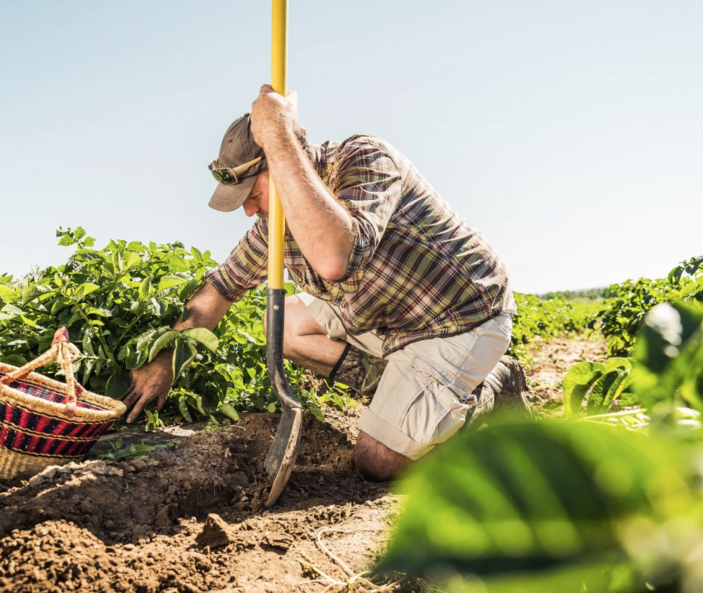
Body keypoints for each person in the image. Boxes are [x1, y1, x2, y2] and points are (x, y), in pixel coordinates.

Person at [122, 85, 527, 482]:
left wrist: (280, 140)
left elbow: (337, 258)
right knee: (282, 326)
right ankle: (402, 393)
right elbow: (219, 291)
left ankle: (489, 391)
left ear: (283, 161)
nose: (247, 209)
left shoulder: (364, 159)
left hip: (458, 320)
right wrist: (165, 358)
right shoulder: (272, 227)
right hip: (388, 318)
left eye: (251, 192)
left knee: (377, 461)